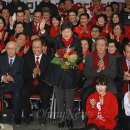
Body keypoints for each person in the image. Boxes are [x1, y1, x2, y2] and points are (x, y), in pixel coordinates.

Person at [40, 21, 82, 129]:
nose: (66, 34)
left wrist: (72, 62)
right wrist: (42, 30)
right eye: (64, 31)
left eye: (68, 31)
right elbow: (48, 40)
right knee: (59, 98)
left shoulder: (77, 42)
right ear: (61, 31)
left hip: (71, 74)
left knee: (69, 99)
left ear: (72, 32)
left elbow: (80, 57)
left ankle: (69, 119)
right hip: (58, 74)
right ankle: (61, 119)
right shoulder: (57, 40)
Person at [81, 36, 117, 113]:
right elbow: (86, 74)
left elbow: (113, 75)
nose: (100, 47)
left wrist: (104, 68)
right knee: (85, 96)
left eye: (102, 45)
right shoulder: (89, 57)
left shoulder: (112, 58)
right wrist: (97, 71)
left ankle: (109, 118)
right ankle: (89, 118)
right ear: (95, 46)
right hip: (92, 83)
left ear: (106, 47)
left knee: (116, 96)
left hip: (108, 83)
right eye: (98, 45)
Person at [22, 38, 52, 125]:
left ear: (42, 47)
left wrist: (40, 73)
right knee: (23, 92)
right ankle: (28, 116)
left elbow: (49, 75)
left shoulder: (48, 59)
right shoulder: (27, 58)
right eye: (34, 47)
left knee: (46, 93)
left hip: (43, 83)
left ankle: (42, 118)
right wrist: (33, 74)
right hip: (30, 83)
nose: (36, 49)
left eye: (38, 47)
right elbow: (24, 75)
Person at [0, 41, 24, 125]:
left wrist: (12, 78)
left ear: (16, 50)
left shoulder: (21, 60)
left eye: (13, 49)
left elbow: (22, 75)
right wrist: (3, 77)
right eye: (9, 48)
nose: (10, 51)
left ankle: (17, 118)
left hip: (15, 84)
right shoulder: (1, 59)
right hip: (2, 84)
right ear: (6, 49)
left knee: (17, 95)